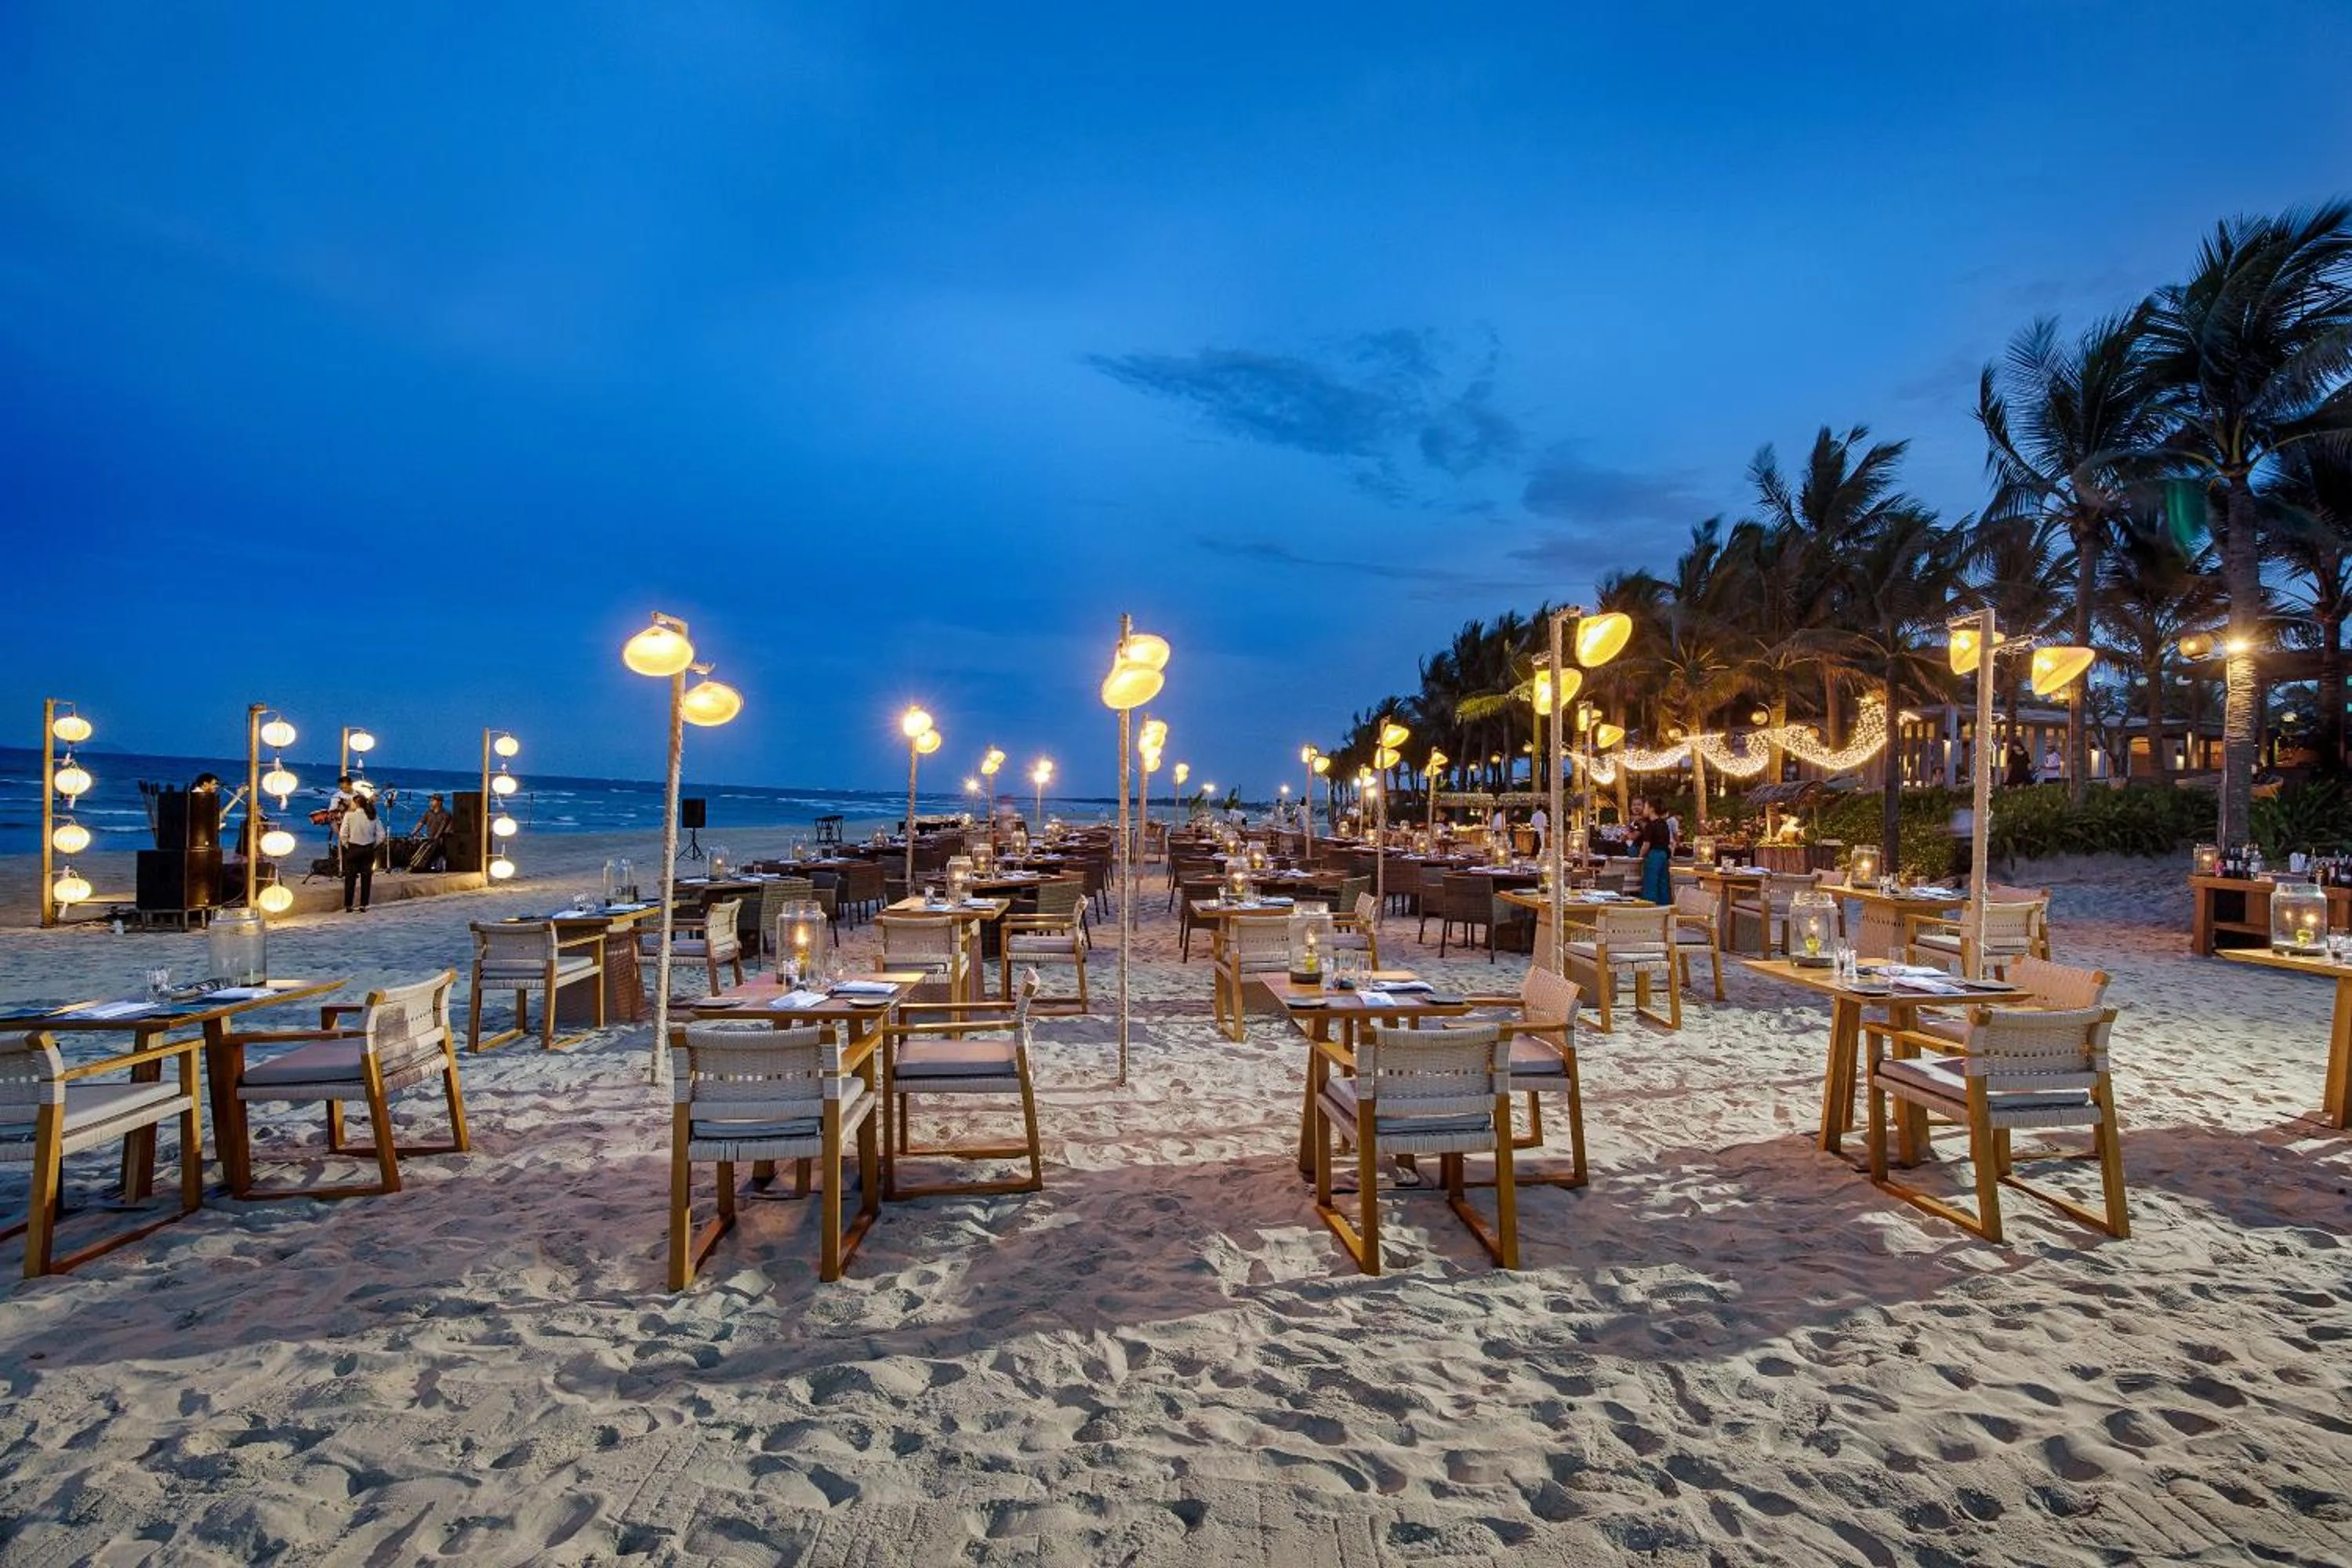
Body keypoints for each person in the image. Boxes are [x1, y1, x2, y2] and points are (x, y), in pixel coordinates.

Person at [339, 791, 382, 912]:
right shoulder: (373, 816)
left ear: (356, 803)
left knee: (350, 878)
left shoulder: (349, 815)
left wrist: (347, 845)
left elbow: (343, 834)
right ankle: (363, 904)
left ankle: (349, 905)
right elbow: (381, 834)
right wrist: (374, 844)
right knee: (366, 877)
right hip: (368, 848)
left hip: (354, 848)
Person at [1635, 800, 1674, 906]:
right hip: (1664, 856)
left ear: (1652, 809)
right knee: (1663, 884)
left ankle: (1649, 908)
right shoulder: (1664, 824)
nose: (1644, 809)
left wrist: (1640, 856)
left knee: (1650, 883)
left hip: (1654, 855)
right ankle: (1665, 909)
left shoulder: (1650, 826)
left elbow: (1646, 845)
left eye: (1646, 807)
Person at [409, 793, 452, 871]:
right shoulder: (428, 812)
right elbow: (420, 823)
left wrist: (436, 838)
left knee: (439, 852)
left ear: (439, 802)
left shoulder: (446, 814)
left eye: (433, 800)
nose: (430, 802)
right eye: (430, 800)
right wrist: (413, 833)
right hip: (430, 838)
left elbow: (442, 827)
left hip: (440, 840)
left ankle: (440, 866)